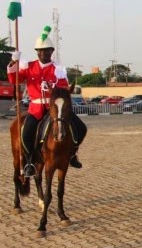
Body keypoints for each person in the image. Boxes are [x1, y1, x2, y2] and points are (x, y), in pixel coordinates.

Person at [7, 25, 87, 177]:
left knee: (81, 128)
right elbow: (13, 79)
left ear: (52, 51)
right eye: (40, 51)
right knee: (27, 133)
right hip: (36, 109)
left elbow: (63, 90)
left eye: (47, 50)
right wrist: (13, 63)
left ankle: (72, 154)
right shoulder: (29, 67)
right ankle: (30, 161)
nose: (43, 53)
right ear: (37, 52)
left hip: (54, 109)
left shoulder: (58, 69)